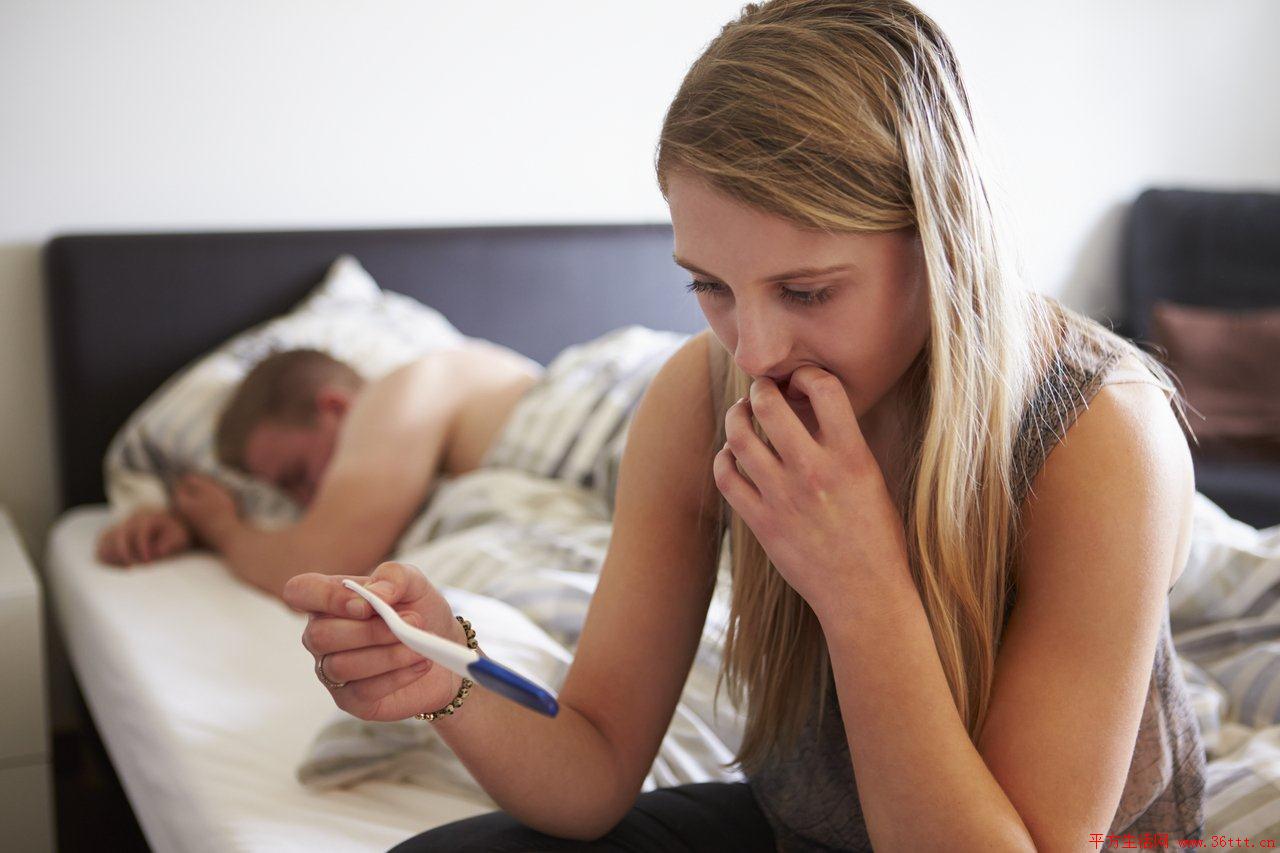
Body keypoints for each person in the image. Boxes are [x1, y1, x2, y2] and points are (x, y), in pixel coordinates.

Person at [283, 1, 1207, 849]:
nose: (755, 351)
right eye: (711, 286)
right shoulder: (701, 396)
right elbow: (592, 768)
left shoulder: (1101, 434)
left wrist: (862, 586)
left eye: (806, 291)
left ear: (941, 245)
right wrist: (449, 679)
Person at [96, 342, 542, 599]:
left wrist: (220, 527)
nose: (307, 501)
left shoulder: (398, 393)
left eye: (298, 474)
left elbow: (320, 566)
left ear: (335, 407)